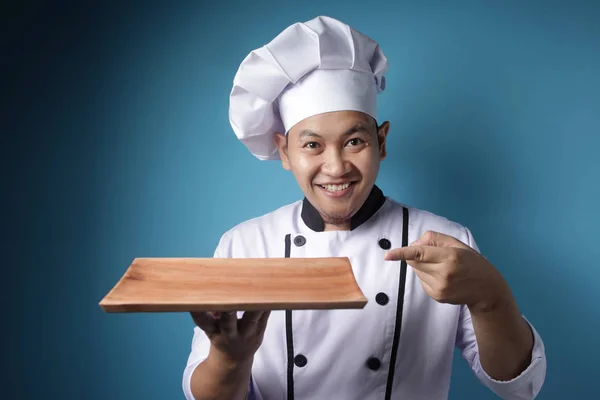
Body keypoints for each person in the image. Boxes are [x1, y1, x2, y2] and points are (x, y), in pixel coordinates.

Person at [182, 16, 546, 400]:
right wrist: (230, 359)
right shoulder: (245, 245)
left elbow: (519, 384)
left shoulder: (447, 243)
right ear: (284, 151)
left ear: (382, 141)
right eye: (312, 145)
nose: (336, 167)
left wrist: (491, 297)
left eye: (354, 141)